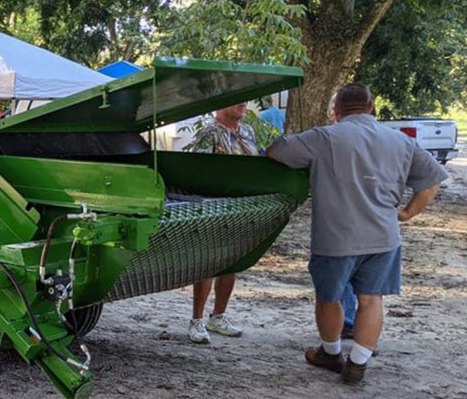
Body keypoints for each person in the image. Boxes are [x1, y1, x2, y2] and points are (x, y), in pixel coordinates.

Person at [267, 83, 447, 383]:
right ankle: (358, 363)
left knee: (329, 297)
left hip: (335, 237)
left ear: (335, 110)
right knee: (371, 299)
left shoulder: (324, 136)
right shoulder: (400, 141)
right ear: (371, 106)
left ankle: (331, 352)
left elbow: (276, 151)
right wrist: (406, 213)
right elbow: (431, 182)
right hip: (383, 236)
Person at [184, 102, 257, 343]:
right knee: (208, 263)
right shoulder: (209, 133)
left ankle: (218, 316)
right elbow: (197, 172)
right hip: (215, 208)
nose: (243, 106)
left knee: (231, 263)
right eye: (238, 101)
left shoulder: (248, 132)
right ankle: (197, 320)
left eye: (245, 102)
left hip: (241, 207)